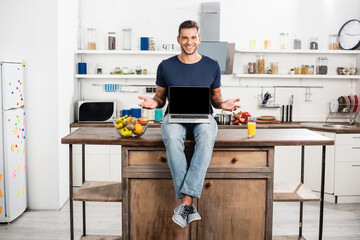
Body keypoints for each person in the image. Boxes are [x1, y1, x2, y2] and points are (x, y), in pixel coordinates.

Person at [138, 20, 240, 228]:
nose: (189, 41)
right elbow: (160, 98)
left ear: (199, 39)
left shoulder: (212, 65)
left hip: (204, 117)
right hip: (174, 116)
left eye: (193, 37)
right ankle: (189, 203)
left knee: (207, 135)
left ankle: (186, 201)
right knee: (173, 137)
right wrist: (152, 103)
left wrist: (224, 104)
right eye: (184, 37)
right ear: (178, 39)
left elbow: (216, 99)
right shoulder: (166, 66)